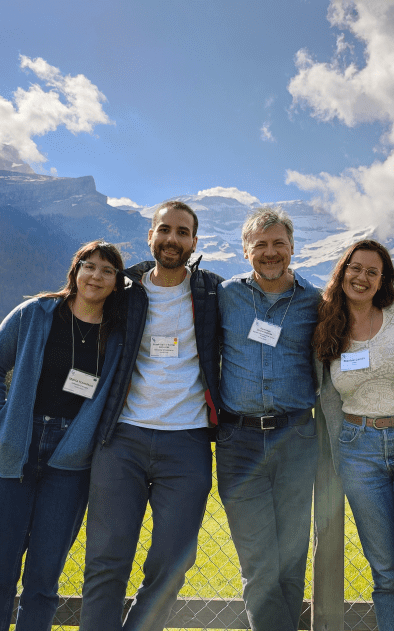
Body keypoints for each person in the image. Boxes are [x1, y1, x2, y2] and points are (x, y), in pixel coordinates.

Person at [79, 201, 222, 631]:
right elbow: (77, 312)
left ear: (194, 242)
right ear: (150, 236)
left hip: (189, 443)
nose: (172, 239)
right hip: (122, 441)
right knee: (106, 559)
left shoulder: (213, 292)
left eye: (182, 233)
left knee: (172, 563)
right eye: (165, 230)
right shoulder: (123, 292)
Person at [0, 239, 125, 631]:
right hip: (14, 453)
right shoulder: (35, 314)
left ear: (117, 281)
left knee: (43, 583)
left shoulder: (120, 334)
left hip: (70, 461)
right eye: (89, 266)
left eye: (107, 270)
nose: (97, 276)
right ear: (75, 271)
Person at [313, 239, 394, 631]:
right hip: (359, 450)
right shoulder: (324, 322)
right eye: (356, 268)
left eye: (373, 272)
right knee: (387, 575)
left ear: (383, 280)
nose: (363, 277)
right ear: (343, 271)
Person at [216, 206, 322, 631]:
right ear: (245, 251)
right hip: (239, 443)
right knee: (259, 564)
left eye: (279, 243)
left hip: (296, 439)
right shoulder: (224, 296)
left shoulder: (316, 303)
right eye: (260, 245)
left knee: (291, 562)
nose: (270, 252)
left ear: (293, 248)